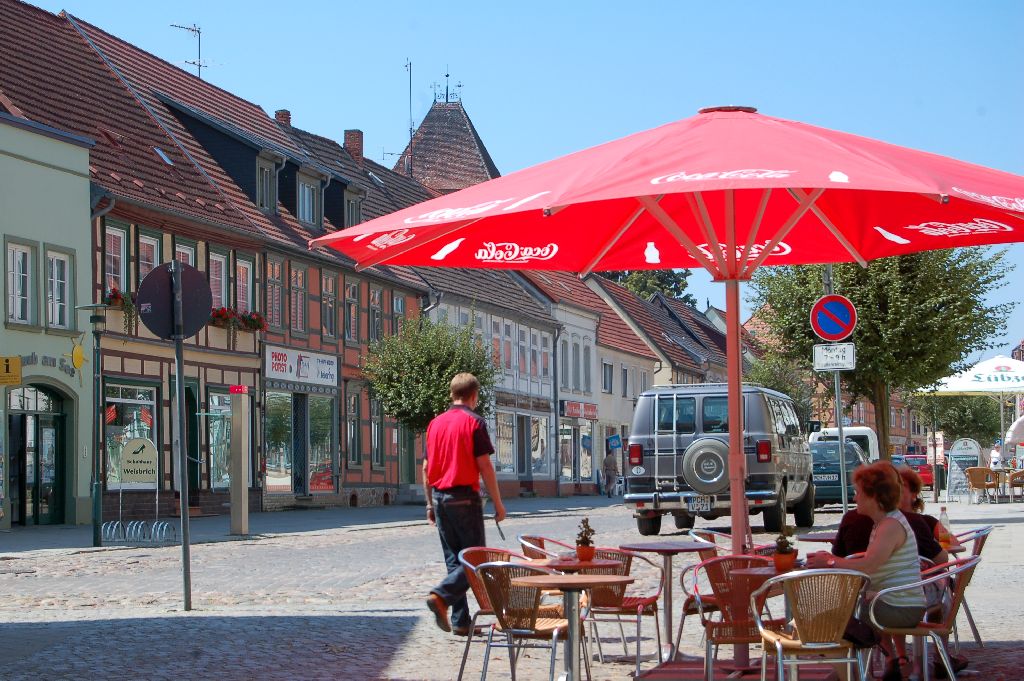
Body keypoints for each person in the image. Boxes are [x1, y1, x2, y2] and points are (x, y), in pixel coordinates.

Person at [807, 462, 926, 681]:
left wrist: (831, 562)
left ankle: (848, 674)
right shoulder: (884, 523)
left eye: (859, 492)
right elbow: (871, 564)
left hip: (900, 608)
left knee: (823, 623)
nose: (855, 498)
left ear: (875, 497)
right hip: (893, 604)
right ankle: (848, 673)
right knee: (826, 622)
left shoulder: (890, 526)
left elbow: (869, 566)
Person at [423, 373, 506, 637]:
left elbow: (425, 467)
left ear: (452, 394)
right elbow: (485, 466)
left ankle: (460, 621)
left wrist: (429, 504)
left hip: (440, 497)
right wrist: (498, 503)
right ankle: (441, 595)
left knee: (454, 560)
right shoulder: (474, 422)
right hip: (464, 498)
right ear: (474, 396)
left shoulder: (435, 424)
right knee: (475, 560)